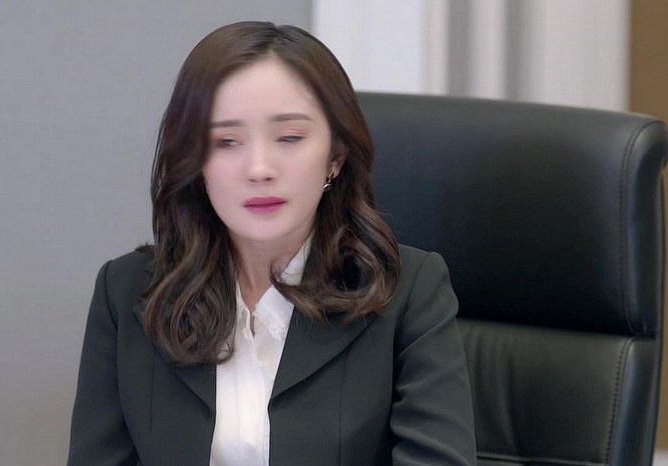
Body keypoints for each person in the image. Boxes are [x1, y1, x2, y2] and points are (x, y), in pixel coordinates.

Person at [68, 21, 477, 466]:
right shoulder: (127, 293)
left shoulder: (408, 293)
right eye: (226, 142)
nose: (259, 168)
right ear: (196, 162)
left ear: (336, 156)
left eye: (289, 138)